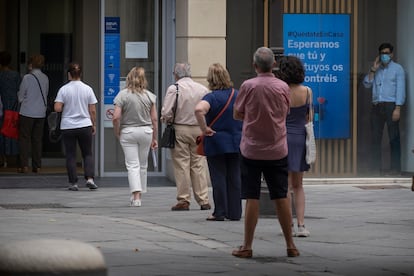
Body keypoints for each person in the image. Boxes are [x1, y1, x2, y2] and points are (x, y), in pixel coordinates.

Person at [232, 47, 299, 258]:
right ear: (274, 65)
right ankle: (290, 244)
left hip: (251, 149)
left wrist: (252, 118)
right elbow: (286, 112)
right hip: (278, 149)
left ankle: (247, 246)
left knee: (252, 197)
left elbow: (237, 113)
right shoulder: (282, 87)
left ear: (255, 66)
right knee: (281, 196)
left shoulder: (248, 86)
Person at [194, 63, 242, 221]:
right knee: (234, 177)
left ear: (211, 79)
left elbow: (199, 110)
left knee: (219, 177)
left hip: (216, 142)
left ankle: (220, 212)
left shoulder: (211, 97)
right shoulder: (237, 94)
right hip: (236, 141)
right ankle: (235, 212)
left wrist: (205, 128)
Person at [161, 62, 211, 211]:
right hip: (198, 129)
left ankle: (183, 199)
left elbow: (167, 112)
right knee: (198, 164)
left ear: (175, 74)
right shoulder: (202, 89)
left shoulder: (174, 89)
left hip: (180, 129)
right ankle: (203, 199)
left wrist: (167, 120)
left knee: (181, 165)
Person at [275, 56, 312, 237]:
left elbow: (277, 116)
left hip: (283, 137)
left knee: (286, 185)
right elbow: (308, 118)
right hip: (300, 137)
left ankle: (288, 224)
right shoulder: (307, 91)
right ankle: (301, 225)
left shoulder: (281, 91)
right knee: (299, 185)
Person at [112, 67, 158, 207]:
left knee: (132, 165)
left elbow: (115, 117)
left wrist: (117, 132)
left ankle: (135, 196)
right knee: (143, 165)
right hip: (146, 132)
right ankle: (139, 195)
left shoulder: (123, 95)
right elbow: (155, 119)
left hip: (128, 132)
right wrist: (155, 138)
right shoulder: (150, 96)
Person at [363, 42, 406, 175]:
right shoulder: (377, 69)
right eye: (382, 53)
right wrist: (373, 69)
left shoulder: (398, 69)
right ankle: (376, 168)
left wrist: (398, 108)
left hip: (391, 105)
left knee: (394, 137)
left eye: (387, 53)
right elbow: (367, 84)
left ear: (392, 54)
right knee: (376, 137)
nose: (384, 56)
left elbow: (400, 89)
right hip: (377, 105)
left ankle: (395, 169)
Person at [54, 62, 98, 191]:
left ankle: (73, 183)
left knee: (71, 155)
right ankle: (90, 179)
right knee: (87, 153)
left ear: (69, 74)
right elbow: (93, 110)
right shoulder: (88, 89)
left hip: (68, 125)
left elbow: (57, 108)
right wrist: (93, 124)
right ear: (81, 74)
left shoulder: (64, 89)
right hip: (85, 125)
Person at [17, 54, 49, 173]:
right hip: (40, 112)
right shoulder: (45, 78)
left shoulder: (27, 78)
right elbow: (45, 94)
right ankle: (37, 166)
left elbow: (20, 97)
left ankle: (24, 165)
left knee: (24, 139)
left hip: (26, 112)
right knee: (37, 140)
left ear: (31, 65)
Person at [0, 51, 21, 168]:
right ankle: (14, 159)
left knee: (2, 132)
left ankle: (2, 159)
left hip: (2, 107)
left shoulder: (0, 75)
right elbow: (20, 90)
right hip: (13, 107)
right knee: (13, 131)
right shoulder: (16, 75)